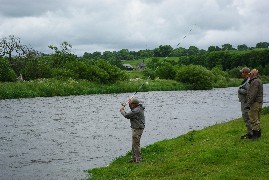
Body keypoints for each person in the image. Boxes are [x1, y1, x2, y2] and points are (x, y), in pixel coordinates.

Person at [120, 98, 145, 163]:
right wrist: (129, 103)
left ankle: (138, 160)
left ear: (134, 104)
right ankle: (134, 158)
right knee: (134, 144)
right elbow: (132, 110)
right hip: (137, 128)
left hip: (137, 128)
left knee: (136, 144)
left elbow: (127, 115)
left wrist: (122, 110)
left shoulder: (136, 110)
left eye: (131, 104)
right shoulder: (139, 107)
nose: (131, 105)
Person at [246, 69, 263, 140]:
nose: (249, 75)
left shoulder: (255, 81)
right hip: (258, 102)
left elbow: (253, 94)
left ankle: (255, 136)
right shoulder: (258, 80)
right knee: (257, 118)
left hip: (255, 103)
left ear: (253, 74)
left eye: (250, 74)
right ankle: (258, 134)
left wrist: (248, 103)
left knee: (253, 119)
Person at [238, 67, 252, 139]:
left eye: (242, 72)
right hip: (244, 102)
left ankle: (250, 133)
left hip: (246, 102)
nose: (241, 73)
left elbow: (248, 92)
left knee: (247, 117)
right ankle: (250, 132)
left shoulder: (248, 81)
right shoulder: (245, 80)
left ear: (245, 73)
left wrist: (240, 90)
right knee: (246, 117)